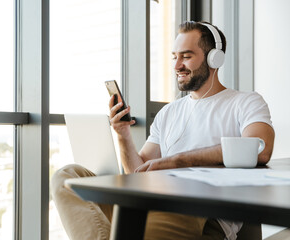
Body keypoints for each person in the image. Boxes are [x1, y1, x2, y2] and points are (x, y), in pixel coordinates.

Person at [51, 21, 275, 240]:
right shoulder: (169, 112)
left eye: (186, 56)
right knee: (67, 177)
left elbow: (260, 149)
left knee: (161, 208)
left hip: (199, 213)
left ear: (214, 58)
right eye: (174, 57)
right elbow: (138, 173)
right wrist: (122, 134)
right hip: (149, 202)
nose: (177, 66)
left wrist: (176, 162)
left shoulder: (245, 102)